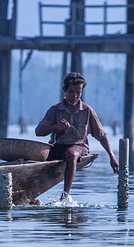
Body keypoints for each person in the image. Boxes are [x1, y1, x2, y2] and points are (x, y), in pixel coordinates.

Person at [34, 71, 120, 203]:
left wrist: (112, 157)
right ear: (64, 90)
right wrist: (56, 126)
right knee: (33, 159)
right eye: (71, 92)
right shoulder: (55, 110)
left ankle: (64, 196)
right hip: (56, 146)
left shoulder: (87, 111)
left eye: (78, 93)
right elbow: (38, 131)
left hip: (78, 147)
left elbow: (101, 136)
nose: (74, 96)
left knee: (71, 154)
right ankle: (30, 197)